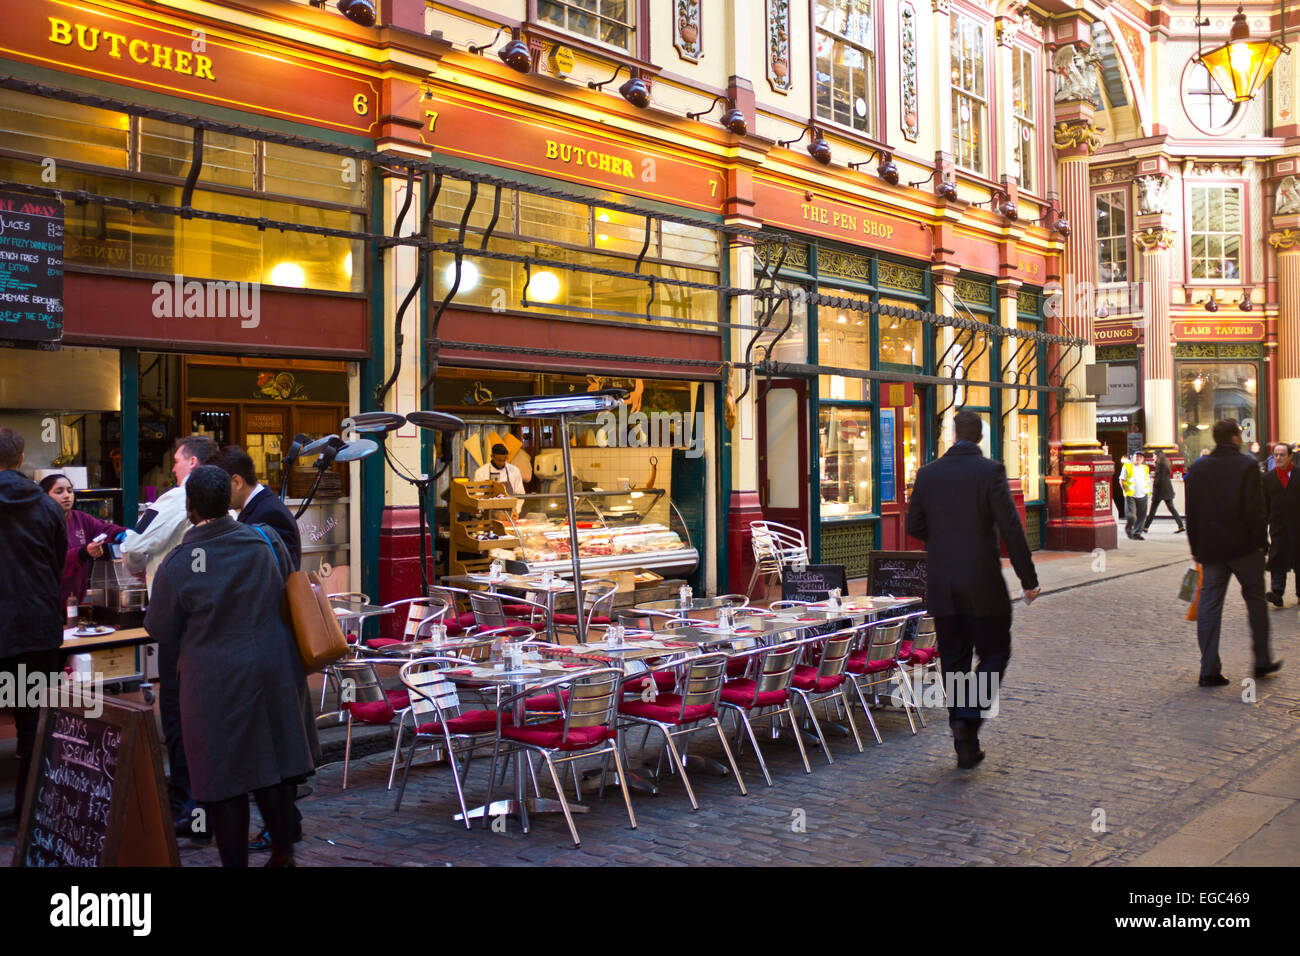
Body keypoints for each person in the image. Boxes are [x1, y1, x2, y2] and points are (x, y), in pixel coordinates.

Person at [144, 466, 318, 867]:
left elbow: (161, 627)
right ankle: (282, 852)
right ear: (228, 499)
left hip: (214, 680)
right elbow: (287, 582)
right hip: (273, 668)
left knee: (224, 778)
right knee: (272, 764)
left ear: (190, 507)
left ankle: (235, 862)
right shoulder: (264, 539)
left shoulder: (180, 562)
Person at [905, 410, 1040, 769]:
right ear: (979, 437)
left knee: (955, 661)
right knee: (995, 653)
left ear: (953, 435)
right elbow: (1011, 528)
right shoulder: (990, 472)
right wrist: (1028, 579)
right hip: (983, 585)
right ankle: (967, 718)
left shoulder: (928, 474)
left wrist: (945, 539)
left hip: (944, 585)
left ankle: (966, 737)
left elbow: (914, 524)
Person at [120, 434, 217, 838]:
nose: (172, 468)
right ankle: (209, 807)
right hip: (213, 621)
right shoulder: (224, 501)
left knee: (177, 713)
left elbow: (135, 548)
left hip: (179, 621)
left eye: (176, 461)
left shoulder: (175, 500)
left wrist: (131, 556)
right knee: (207, 714)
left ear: (191, 463)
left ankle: (186, 806)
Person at [0, 428, 67, 821]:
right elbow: (56, 566)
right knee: (32, 724)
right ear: (22, 459)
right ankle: (28, 809)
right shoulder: (48, 509)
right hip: (37, 630)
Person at [1185, 419, 1280, 687]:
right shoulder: (1247, 466)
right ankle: (1262, 662)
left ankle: (1208, 669)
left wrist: (1196, 548)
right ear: (1236, 438)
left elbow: (1191, 513)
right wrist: (1262, 543)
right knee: (1256, 603)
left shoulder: (1198, 469)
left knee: (1209, 606)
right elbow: (1255, 509)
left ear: (1216, 439)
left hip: (1212, 550)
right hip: (1244, 548)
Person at [39, 474, 129, 606]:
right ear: (44, 496)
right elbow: (51, 562)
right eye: (59, 491)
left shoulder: (80, 518)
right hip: (46, 602)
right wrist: (83, 552)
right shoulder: (39, 524)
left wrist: (122, 533)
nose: (66, 495)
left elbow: (104, 529)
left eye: (69, 491)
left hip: (74, 600)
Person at [213, 446, 301, 569]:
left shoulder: (271, 514)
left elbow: (281, 572)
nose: (217, 494)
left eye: (220, 486)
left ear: (237, 482)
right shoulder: (258, 506)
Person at [1264, 442, 1299, 608]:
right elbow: (1264, 505)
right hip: (1278, 527)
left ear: (1290, 456)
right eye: (1275, 455)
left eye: (1282, 455)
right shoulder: (1268, 478)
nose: (1278, 458)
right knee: (1278, 558)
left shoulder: (1299, 475)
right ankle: (1277, 593)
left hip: (1298, 526)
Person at [1143, 451, 1186, 534]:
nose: (1153, 458)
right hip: (1167, 490)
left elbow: (1159, 479)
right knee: (1172, 509)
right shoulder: (1166, 463)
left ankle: (1145, 527)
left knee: (1153, 510)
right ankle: (1181, 525)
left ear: (1157, 456)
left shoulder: (1160, 465)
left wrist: (1154, 483)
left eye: (1154, 456)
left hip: (1160, 491)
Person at [1120, 451, 1152, 539]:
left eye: (1140, 457)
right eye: (1136, 456)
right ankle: (1129, 529)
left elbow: (1147, 480)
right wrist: (1125, 491)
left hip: (1143, 494)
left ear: (1143, 460)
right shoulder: (1127, 466)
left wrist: (1148, 490)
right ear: (1132, 457)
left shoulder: (1145, 468)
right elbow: (1121, 480)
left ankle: (1137, 533)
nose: (1138, 458)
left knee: (1142, 516)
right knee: (1132, 516)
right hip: (1131, 495)